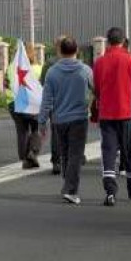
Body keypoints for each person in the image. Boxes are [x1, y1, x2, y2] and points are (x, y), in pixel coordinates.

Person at [93, 27, 131, 206]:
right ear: (123, 41)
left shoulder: (99, 62)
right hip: (127, 112)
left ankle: (110, 190)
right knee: (128, 150)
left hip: (107, 112)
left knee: (108, 151)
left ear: (108, 41)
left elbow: (97, 88)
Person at [39, 37, 93, 205]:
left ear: (60, 51)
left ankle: (67, 182)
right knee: (75, 154)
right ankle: (70, 189)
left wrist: (42, 121)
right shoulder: (85, 70)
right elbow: (96, 90)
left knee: (65, 152)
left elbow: (46, 99)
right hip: (79, 117)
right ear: (77, 50)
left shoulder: (52, 72)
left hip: (59, 119)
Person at [4, 44, 44, 169]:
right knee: (37, 129)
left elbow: (6, 85)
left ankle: (25, 159)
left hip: (14, 103)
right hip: (34, 103)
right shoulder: (38, 69)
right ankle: (33, 152)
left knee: (22, 131)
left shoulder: (11, 68)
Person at [40, 35, 66, 174]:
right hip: (71, 102)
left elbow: (43, 83)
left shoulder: (49, 63)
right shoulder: (74, 63)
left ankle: (56, 161)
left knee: (56, 132)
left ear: (56, 47)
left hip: (54, 102)